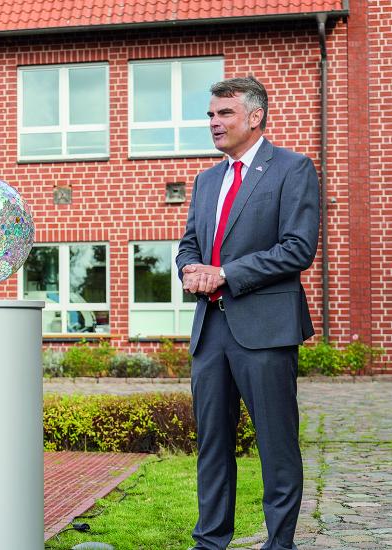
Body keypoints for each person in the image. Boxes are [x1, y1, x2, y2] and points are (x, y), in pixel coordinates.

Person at [176, 76, 320, 550]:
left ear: (254, 117)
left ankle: (280, 543)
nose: (214, 123)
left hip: (265, 329)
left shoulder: (293, 169)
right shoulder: (205, 180)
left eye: (225, 114)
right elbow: (189, 245)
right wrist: (189, 270)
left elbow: (297, 248)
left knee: (276, 447)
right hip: (211, 329)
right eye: (211, 115)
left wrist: (226, 274)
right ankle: (210, 541)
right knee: (212, 446)